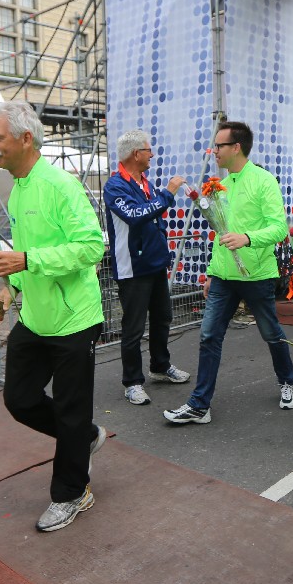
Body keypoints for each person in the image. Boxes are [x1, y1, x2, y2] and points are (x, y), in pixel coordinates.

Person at [0, 99, 107, 532]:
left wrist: (27, 261)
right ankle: (84, 437)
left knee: (71, 410)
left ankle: (72, 493)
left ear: (25, 139)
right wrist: (11, 287)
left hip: (75, 319)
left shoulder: (59, 184)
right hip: (36, 318)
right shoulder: (19, 187)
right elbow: (27, 254)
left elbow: (92, 246)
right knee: (19, 399)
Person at [163, 121, 293, 424]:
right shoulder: (219, 185)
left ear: (236, 147)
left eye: (219, 146)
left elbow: (279, 228)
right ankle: (199, 405)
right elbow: (219, 232)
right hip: (223, 277)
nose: (214, 151)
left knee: (271, 334)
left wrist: (247, 238)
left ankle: (287, 382)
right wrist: (211, 273)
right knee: (209, 336)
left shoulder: (263, 180)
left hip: (257, 275)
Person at [103, 129, 190, 406]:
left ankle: (160, 367)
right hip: (132, 268)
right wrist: (168, 194)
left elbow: (154, 218)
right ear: (135, 154)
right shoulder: (115, 186)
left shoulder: (144, 183)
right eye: (148, 150)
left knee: (163, 318)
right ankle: (132, 382)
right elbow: (135, 215)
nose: (152, 155)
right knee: (134, 327)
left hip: (154, 264)